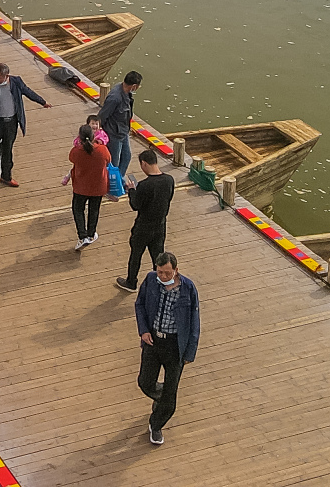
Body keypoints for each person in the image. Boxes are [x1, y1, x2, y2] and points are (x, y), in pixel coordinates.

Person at [135, 252, 200, 445]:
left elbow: (194, 322)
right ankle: (163, 395)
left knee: (170, 398)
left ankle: (156, 425)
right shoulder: (150, 280)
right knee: (145, 382)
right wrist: (144, 331)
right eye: (160, 272)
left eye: (167, 273)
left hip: (175, 346)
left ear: (176, 270)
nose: (163, 276)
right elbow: (139, 305)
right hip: (153, 342)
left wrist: (190, 352)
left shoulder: (188, 289)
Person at [0, 62, 48, 197]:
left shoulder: (16, 82)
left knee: (8, 149)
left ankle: (6, 176)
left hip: (11, 122)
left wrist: (42, 101)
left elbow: (28, 91)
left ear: (6, 76)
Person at [115, 148, 174, 293]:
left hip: (143, 225)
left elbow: (135, 205)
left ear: (144, 164)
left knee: (136, 254)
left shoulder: (145, 185)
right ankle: (162, 281)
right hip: (160, 224)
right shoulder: (169, 180)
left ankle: (131, 282)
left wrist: (132, 190)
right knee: (158, 255)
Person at [65, 123, 110, 250]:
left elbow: (72, 159)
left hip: (81, 186)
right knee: (94, 209)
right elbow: (109, 159)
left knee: (78, 209)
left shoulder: (76, 151)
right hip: (98, 186)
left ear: (79, 138)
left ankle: (82, 235)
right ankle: (91, 234)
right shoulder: (102, 150)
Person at [99, 71, 142, 187]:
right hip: (114, 134)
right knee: (114, 162)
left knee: (126, 156)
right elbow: (103, 115)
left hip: (124, 131)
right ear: (134, 86)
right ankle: (109, 185)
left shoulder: (126, 93)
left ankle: (119, 180)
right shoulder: (115, 98)